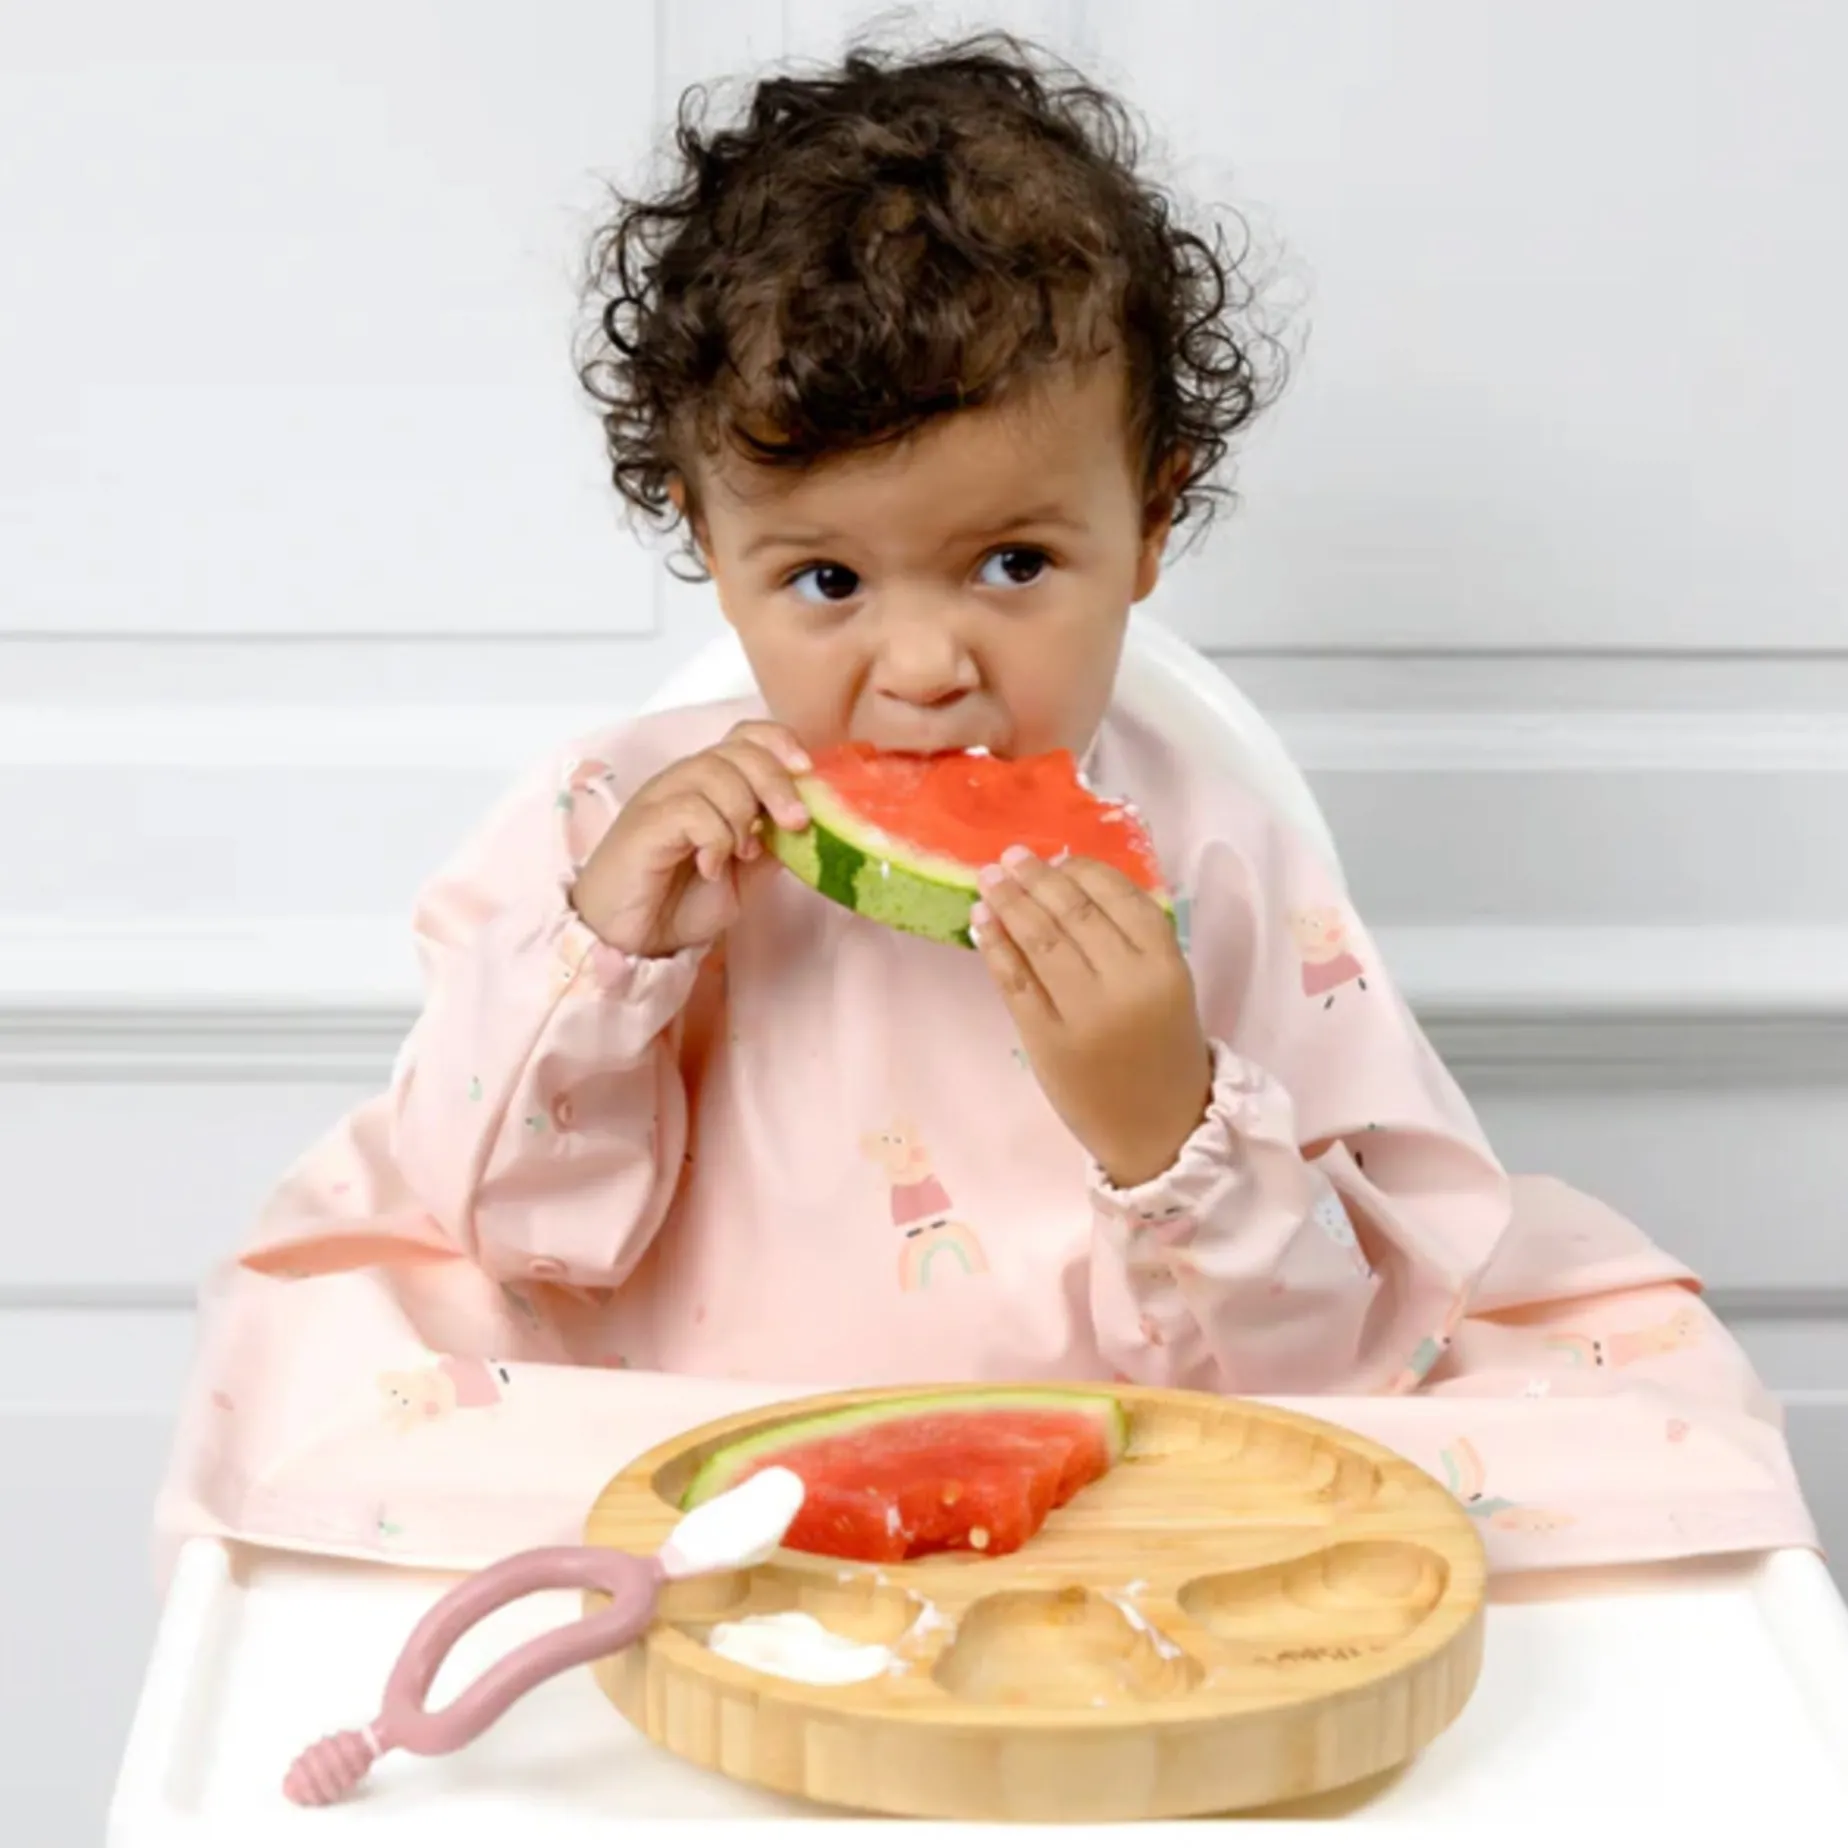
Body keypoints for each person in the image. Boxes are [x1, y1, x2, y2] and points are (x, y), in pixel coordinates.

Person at [155, 33, 1814, 1580]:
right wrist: (606, 965)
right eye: (826, 580)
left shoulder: (1218, 856)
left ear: (1150, 522)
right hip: (704, 1483)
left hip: (1127, 1506)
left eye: (1013, 563)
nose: (926, 668)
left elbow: (1337, 1356)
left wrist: (1171, 1129)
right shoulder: (614, 821)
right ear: (706, 541)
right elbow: (517, 1240)